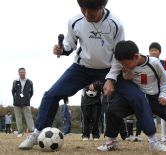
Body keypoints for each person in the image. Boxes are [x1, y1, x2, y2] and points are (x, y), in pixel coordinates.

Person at [18, 0, 156, 150]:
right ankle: (36, 133)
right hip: (81, 67)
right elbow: (70, 43)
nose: (86, 13)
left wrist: (110, 78)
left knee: (136, 96)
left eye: (92, 9)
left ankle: (154, 140)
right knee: (51, 95)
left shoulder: (115, 24)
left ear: (103, 5)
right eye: (82, 8)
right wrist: (62, 49)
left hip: (108, 68)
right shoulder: (75, 20)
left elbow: (119, 54)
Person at [12, 67, 35, 138]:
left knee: (29, 117)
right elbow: (13, 91)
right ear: (18, 73)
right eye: (21, 72)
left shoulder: (29, 82)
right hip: (17, 102)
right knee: (18, 117)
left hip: (26, 102)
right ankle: (20, 132)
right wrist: (16, 98)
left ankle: (32, 132)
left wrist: (27, 98)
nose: (22, 73)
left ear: (25, 73)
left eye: (23, 72)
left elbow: (31, 92)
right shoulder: (15, 82)